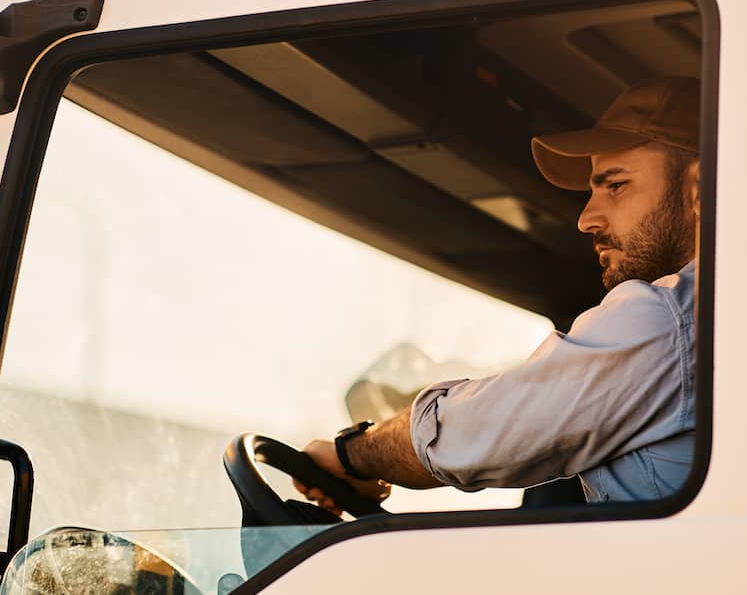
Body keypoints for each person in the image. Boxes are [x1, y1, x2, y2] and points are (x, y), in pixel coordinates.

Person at [295, 76, 702, 509]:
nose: (586, 219)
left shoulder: (670, 319)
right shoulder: (727, 317)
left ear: (701, 189)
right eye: (592, 190)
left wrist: (350, 456)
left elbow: (475, 433)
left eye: (615, 185)